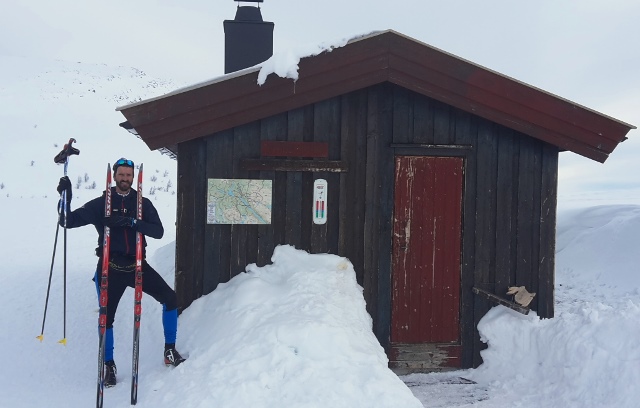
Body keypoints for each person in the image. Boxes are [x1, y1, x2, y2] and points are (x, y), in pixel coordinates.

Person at [57, 158, 185, 388]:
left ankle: (169, 350)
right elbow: (67, 221)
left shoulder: (141, 203)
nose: (125, 179)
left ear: (133, 177)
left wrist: (132, 222)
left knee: (170, 298)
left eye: (129, 175)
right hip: (110, 268)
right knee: (106, 318)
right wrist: (65, 197)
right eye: (121, 175)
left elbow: (158, 231)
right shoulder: (101, 204)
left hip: (137, 265)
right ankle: (109, 365)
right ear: (114, 176)